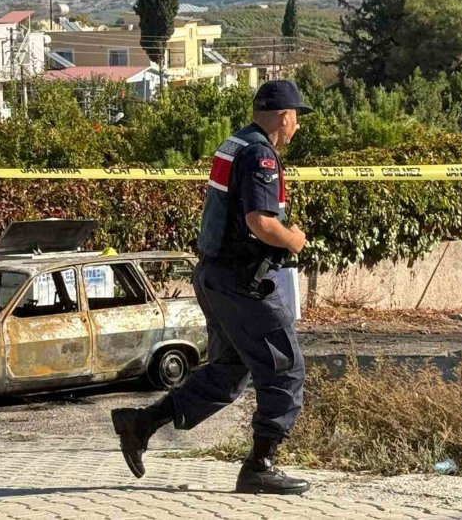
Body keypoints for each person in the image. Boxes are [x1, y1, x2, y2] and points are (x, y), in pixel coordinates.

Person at [111, 80, 312, 495]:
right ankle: (259, 466)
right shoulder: (260, 155)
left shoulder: (235, 143)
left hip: (215, 276)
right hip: (243, 282)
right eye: (297, 119)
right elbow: (261, 223)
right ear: (285, 116)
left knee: (228, 373)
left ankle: (140, 424)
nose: (297, 128)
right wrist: (293, 239)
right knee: (285, 368)